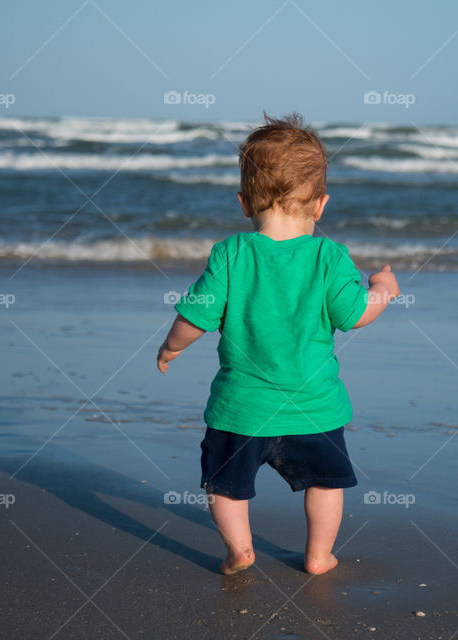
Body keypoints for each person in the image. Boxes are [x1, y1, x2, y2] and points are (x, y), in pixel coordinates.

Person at [156, 113, 399, 575]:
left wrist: (172, 348)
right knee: (325, 483)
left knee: (225, 485)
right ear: (321, 205)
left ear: (244, 202)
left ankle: (240, 549)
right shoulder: (329, 256)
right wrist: (383, 289)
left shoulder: (231, 253)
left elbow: (194, 316)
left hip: (241, 409)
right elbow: (355, 315)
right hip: (314, 409)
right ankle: (318, 555)